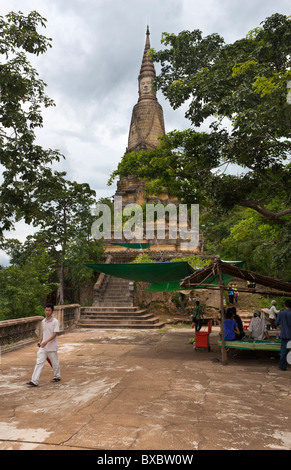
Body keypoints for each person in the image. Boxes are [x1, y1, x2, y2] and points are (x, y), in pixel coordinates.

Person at [27, 303, 61, 386]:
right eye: (46, 310)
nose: (47, 312)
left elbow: (54, 334)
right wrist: (40, 341)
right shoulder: (43, 321)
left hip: (51, 346)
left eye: (49, 310)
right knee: (39, 362)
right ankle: (34, 381)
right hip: (43, 346)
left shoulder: (55, 322)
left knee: (54, 362)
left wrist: (46, 342)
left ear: (52, 311)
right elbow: (44, 333)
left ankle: (57, 376)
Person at [275, 299, 291, 371]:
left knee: (284, 352)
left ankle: (282, 367)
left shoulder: (281, 313)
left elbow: (276, 323)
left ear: (285, 305)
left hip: (284, 335)